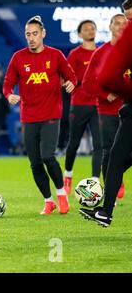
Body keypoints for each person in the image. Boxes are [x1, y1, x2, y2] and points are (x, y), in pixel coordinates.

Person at [3, 16, 76, 215]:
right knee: (35, 162)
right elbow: (7, 83)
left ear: (43, 34)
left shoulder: (56, 55)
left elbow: (71, 76)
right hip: (29, 116)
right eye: (28, 34)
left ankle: (61, 194)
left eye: (35, 34)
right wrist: (9, 95)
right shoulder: (18, 58)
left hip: (51, 114)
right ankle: (48, 200)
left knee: (47, 156)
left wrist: (71, 83)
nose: (32, 38)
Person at [79, 15, 132, 227]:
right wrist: (106, 94)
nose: (124, 24)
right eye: (121, 20)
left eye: (127, 19)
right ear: (109, 27)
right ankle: (105, 211)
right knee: (112, 155)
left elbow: (108, 77)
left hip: (126, 110)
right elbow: (89, 83)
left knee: (115, 158)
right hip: (113, 112)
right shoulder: (103, 52)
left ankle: (106, 211)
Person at [63, 20, 101, 194]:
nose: (90, 30)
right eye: (86, 29)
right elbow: (68, 77)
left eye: (92, 28)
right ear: (79, 34)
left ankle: (95, 182)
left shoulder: (102, 52)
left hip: (99, 104)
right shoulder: (75, 54)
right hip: (79, 104)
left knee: (99, 144)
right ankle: (68, 175)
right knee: (74, 143)